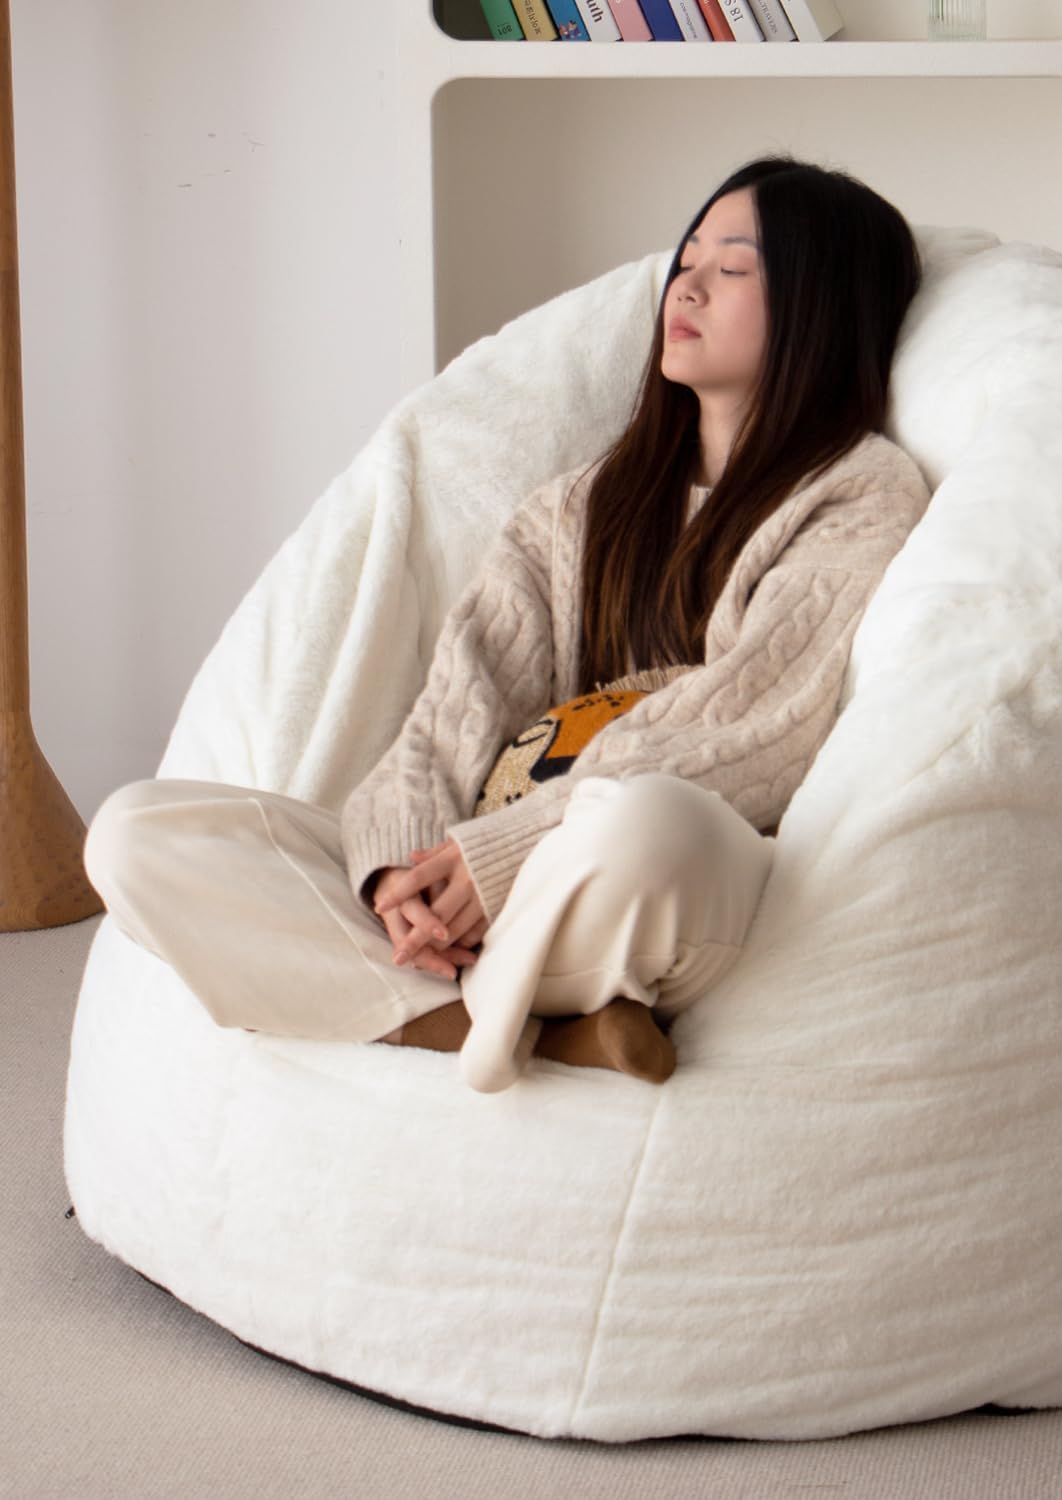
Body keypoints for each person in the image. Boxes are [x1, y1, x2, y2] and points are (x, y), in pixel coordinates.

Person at [83, 154, 932, 1093]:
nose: (685, 285)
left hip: (649, 882)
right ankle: (524, 1025)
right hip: (488, 870)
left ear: (822, 307)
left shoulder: (860, 493)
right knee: (137, 834)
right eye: (688, 258)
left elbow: (752, 727)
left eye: (731, 268)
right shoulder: (576, 507)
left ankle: (437, 995)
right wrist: (402, 872)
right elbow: (456, 705)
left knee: (651, 822)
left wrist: (505, 858)